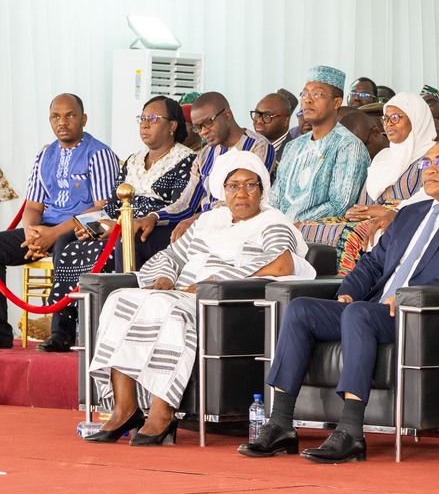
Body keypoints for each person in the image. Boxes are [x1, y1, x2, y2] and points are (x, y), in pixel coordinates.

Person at [240, 139, 439, 463]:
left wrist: (412, 293)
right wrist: (347, 292)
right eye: (425, 163)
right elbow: (372, 263)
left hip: (421, 313)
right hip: (375, 309)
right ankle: (280, 424)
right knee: (301, 309)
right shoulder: (410, 213)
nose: (430, 170)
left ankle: (350, 430)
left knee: (359, 315)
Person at [85, 151, 315, 446]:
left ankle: (162, 411)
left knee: (168, 310)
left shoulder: (272, 223)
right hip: (181, 290)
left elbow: (283, 263)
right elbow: (171, 255)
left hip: (219, 301)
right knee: (119, 298)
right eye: (233, 186)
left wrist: (217, 281)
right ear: (222, 190)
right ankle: (125, 409)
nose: (241, 193)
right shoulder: (209, 221)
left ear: (262, 190)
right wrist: (165, 278)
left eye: (250, 185)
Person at [0, 93, 118, 351]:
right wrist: (33, 234)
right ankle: (0, 334)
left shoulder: (99, 154)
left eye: (70, 115)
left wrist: (52, 235)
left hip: (84, 229)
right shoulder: (45, 156)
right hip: (45, 228)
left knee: (65, 243)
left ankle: (62, 334)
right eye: (56, 116)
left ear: (84, 119)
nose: (62, 122)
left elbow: (103, 210)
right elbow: (33, 206)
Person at [296, 92, 435, 274]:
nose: (389, 123)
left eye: (396, 117)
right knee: (298, 227)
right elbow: (364, 202)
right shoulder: (383, 158)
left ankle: (346, 292)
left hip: (401, 220)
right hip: (367, 217)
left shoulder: (433, 157)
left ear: (417, 119)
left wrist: (385, 211)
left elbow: (431, 201)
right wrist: (359, 211)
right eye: (386, 118)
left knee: (351, 235)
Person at [142, 92, 276, 245]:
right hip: (203, 228)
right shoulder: (204, 155)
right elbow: (186, 204)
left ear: (227, 114)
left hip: (241, 229)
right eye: (198, 128)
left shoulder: (258, 146)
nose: (203, 132)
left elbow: (243, 201)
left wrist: (198, 219)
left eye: (208, 123)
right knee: (138, 237)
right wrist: (154, 217)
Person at [104, 96, 196, 271]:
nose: (145, 124)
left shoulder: (187, 160)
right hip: (121, 226)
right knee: (73, 240)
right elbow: (112, 204)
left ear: (172, 126)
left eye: (153, 119)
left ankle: (121, 295)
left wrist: (123, 226)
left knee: (125, 240)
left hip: (155, 229)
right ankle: (79, 299)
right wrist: (98, 225)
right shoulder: (133, 159)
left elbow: (180, 207)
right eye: (142, 119)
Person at [272, 65, 370, 222]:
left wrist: (293, 224)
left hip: (314, 238)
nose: (308, 100)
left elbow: (341, 204)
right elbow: (275, 196)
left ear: (337, 102)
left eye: (317, 94)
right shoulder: (293, 146)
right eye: (304, 94)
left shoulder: (349, 146)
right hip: (277, 231)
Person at [251, 93, 294, 161]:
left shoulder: (295, 152)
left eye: (267, 115)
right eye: (257, 114)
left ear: (286, 121)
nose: (259, 120)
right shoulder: (247, 149)